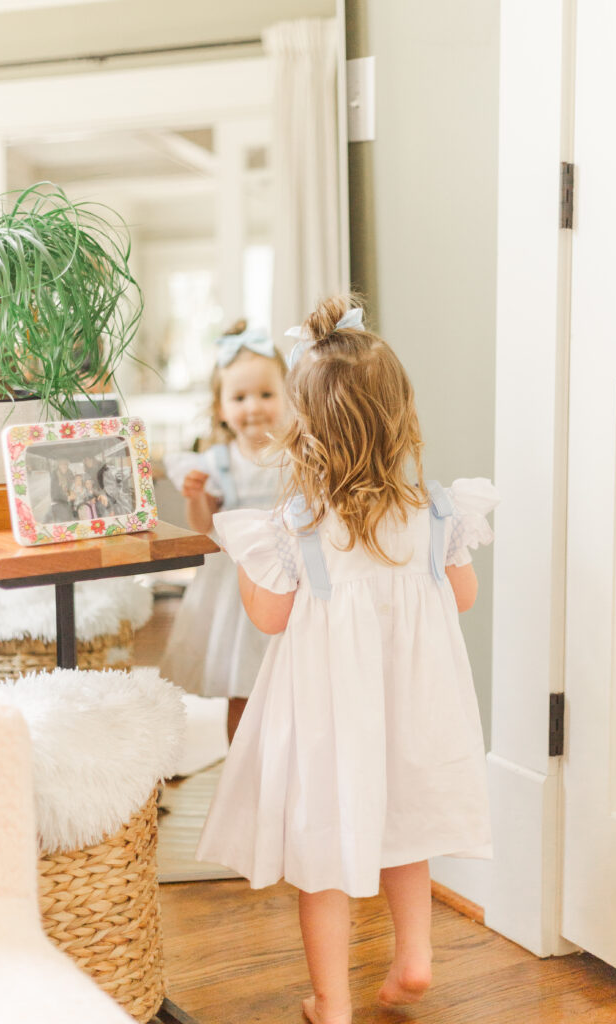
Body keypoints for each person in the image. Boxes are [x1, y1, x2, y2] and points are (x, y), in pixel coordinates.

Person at [195, 297, 499, 1024]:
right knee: (407, 830)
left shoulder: (295, 525)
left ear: (304, 427)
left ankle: (330, 1004)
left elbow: (269, 617)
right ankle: (415, 959)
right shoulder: (434, 511)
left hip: (330, 719)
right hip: (416, 711)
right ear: (400, 416)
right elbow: (461, 596)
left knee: (322, 854)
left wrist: (244, 556)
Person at [163, 321, 288, 743]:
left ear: (288, 396)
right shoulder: (217, 462)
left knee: (291, 681)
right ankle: (241, 767)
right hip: (237, 586)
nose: (253, 406)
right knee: (244, 685)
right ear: (220, 407)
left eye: (266, 394)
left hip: (288, 578)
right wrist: (196, 495)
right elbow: (204, 527)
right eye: (239, 397)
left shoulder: (296, 454)